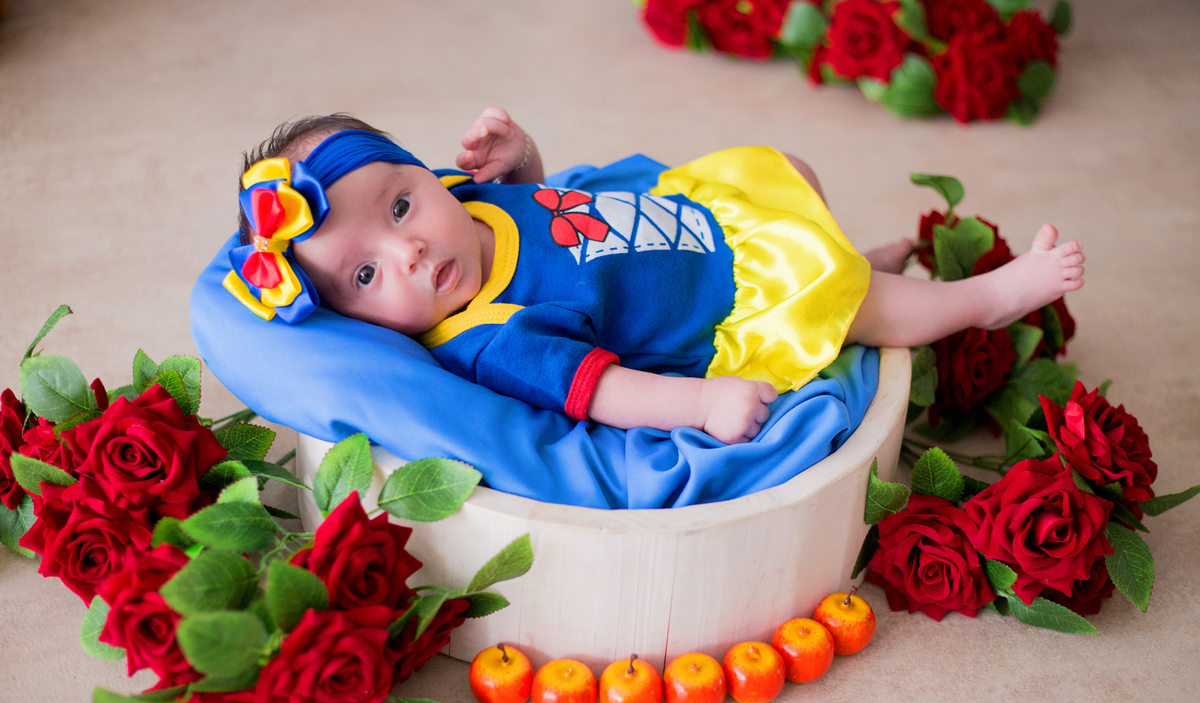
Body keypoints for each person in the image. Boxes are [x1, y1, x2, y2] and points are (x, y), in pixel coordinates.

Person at [227, 109, 1084, 444]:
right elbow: (604, 392)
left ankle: (856, 254)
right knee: (863, 308)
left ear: (420, 172)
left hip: (691, 217)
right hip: (724, 298)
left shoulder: (462, 202)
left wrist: (524, 159)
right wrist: (703, 406)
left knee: (791, 170)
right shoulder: (489, 338)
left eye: (401, 206)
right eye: (367, 274)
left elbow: (539, 206)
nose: (409, 252)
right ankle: (994, 295)